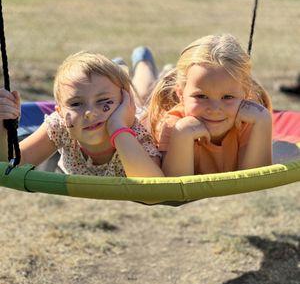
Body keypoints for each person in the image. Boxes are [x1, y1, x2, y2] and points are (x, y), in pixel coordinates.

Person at [0, 51, 164, 178]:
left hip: (141, 111)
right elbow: (12, 165)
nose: (90, 113)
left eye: (103, 100)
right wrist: (3, 129)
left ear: (124, 103)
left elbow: (153, 186)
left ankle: (143, 62)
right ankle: (118, 72)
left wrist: (118, 128)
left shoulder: (139, 133)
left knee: (143, 95)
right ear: (60, 112)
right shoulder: (60, 126)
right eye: (76, 103)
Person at [147, 34, 273, 176]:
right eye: (201, 96)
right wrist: (182, 135)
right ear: (180, 93)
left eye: (227, 97)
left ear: (245, 93)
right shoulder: (173, 125)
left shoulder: (249, 121)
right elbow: (174, 191)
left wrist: (263, 121)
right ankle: (143, 64)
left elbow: (256, 182)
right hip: (144, 111)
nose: (214, 109)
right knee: (144, 92)